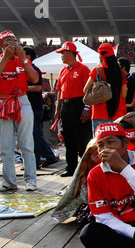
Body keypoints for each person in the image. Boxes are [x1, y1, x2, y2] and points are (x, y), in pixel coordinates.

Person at [0, 31, 38, 191]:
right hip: (2, 101)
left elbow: (35, 79)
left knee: (26, 144)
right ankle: (9, 181)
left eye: (15, 41)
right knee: (6, 146)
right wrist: (4, 57)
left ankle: (31, 180)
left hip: (22, 100)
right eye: (9, 41)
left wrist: (23, 60)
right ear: (0, 45)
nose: (14, 44)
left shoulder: (22, 60)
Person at [54, 41, 92, 177]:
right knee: (68, 139)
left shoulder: (83, 69)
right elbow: (59, 91)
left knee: (83, 139)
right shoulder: (63, 71)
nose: (61, 56)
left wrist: (87, 108)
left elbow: (89, 90)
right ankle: (71, 168)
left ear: (70, 53)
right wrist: (57, 110)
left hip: (79, 105)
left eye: (63, 53)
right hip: (66, 106)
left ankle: (85, 168)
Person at [23, 46, 58, 170]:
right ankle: (49, 155)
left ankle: (35, 161)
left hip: (34, 107)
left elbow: (38, 88)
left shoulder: (34, 69)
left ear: (28, 57)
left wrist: (21, 88)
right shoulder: (24, 70)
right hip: (27, 106)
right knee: (34, 134)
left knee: (34, 134)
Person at [83, 43, 127, 133]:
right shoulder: (121, 73)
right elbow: (124, 95)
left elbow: (85, 89)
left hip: (99, 113)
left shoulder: (97, 71)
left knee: (99, 144)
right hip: (117, 114)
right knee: (115, 142)